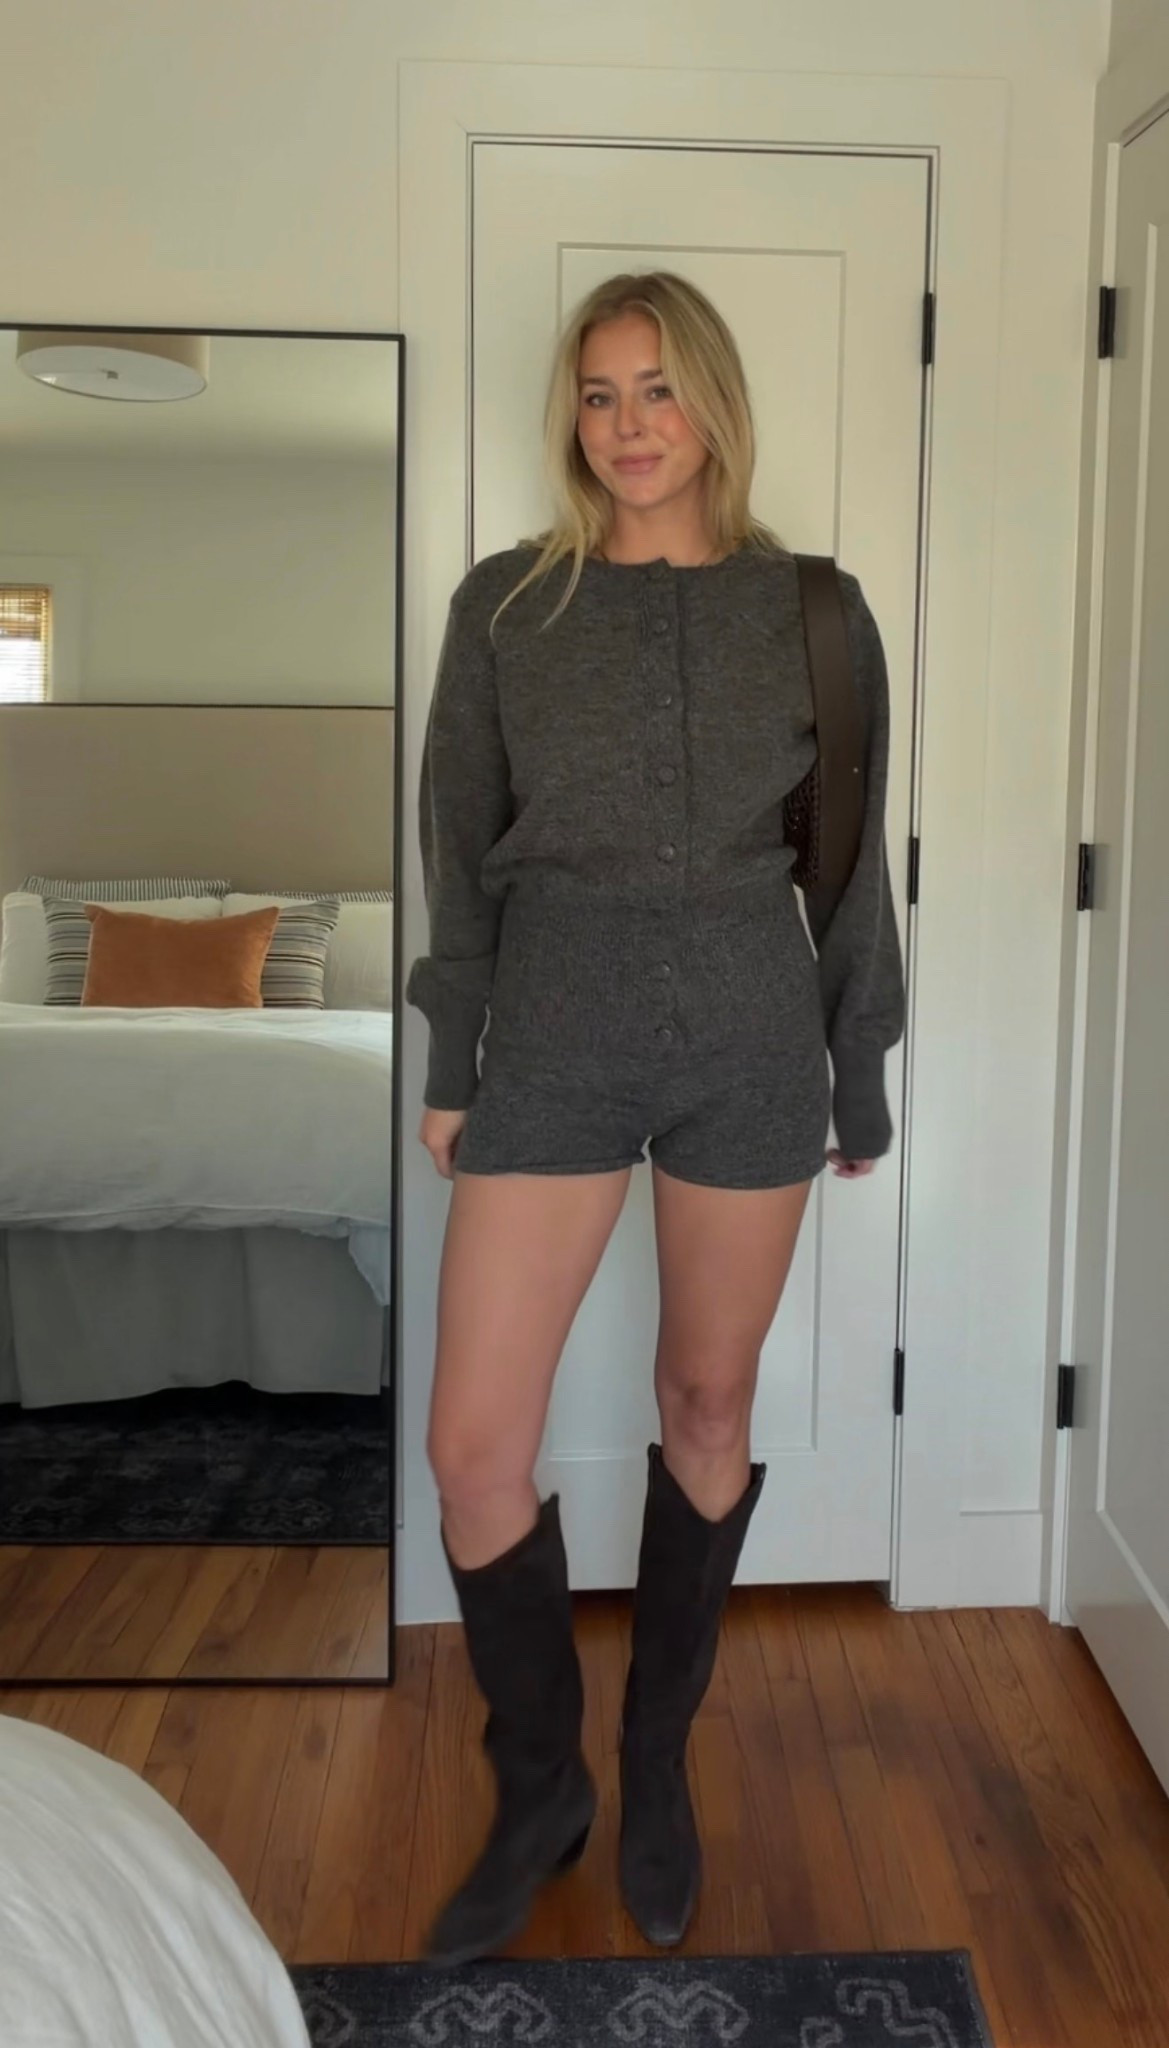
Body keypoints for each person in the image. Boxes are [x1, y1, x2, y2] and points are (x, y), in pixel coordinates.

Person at [406, 270, 905, 1967]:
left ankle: (656, 1762)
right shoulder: (504, 605)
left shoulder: (814, 611)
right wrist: (455, 1058)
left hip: (747, 1036)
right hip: (555, 1027)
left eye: (659, 388)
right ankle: (539, 1784)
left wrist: (856, 1060)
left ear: (713, 405)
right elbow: (457, 845)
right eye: (600, 392)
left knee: (705, 1397)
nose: (627, 425)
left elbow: (849, 865)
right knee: (474, 1446)